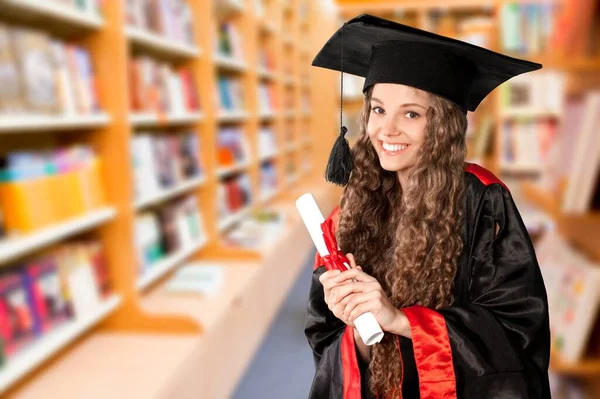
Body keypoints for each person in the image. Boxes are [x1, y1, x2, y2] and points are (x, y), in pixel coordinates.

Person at [305, 14, 551, 399]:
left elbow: (516, 334)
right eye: (379, 109)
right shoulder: (353, 208)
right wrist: (357, 322)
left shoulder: (482, 201)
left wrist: (402, 321)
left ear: (443, 125)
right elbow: (326, 341)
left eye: (412, 114)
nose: (387, 130)